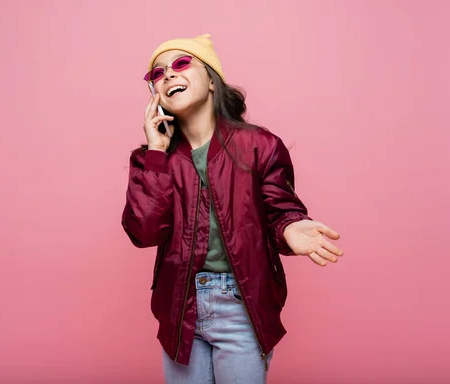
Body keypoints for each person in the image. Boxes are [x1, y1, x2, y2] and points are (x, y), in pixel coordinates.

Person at [121, 34, 343, 384]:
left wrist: (290, 227)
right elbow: (145, 231)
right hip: (181, 308)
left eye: (181, 64)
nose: (168, 75)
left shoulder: (259, 145)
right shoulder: (152, 159)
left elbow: (279, 209)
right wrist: (155, 152)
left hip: (242, 305)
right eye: (157, 74)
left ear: (211, 79)